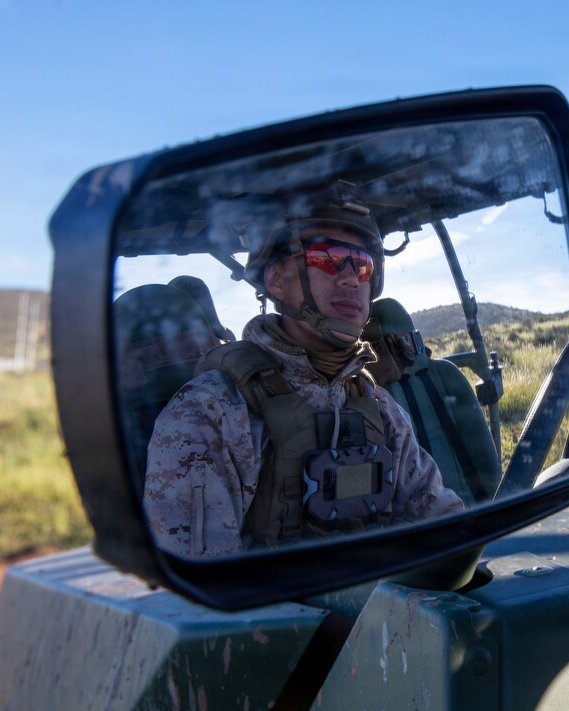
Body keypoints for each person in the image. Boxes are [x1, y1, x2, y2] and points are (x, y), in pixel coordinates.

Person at [143, 180, 464, 557]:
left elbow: (444, 525)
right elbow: (204, 591)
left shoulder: (377, 404)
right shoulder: (212, 412)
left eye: (361, 265)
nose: (349, 279)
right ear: (276, 280)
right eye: (327, 258)